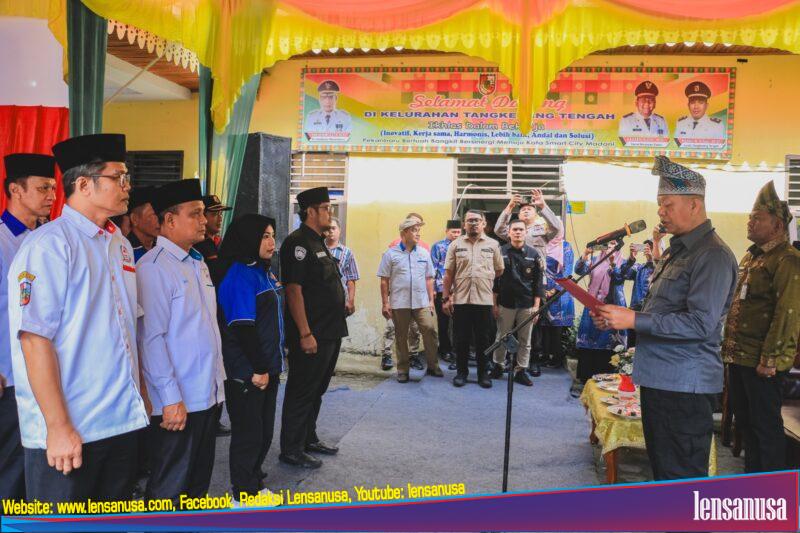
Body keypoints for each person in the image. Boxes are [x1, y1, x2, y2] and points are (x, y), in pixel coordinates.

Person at [9, 133, 148, 503]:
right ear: (84, 185)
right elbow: (34, 340)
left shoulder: (119, 243)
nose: (127, 186)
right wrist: (58, 427)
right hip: (73, 428)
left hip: (119, 421)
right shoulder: (50, 245)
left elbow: (126, 329)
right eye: (118, 177)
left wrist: (141, 397)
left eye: (127, 178)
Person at [593, 156, 738, 480]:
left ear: (694, 204)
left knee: (681, 477)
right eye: (660, 204)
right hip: (663, 380)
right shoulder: (678, 250)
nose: (660, 212)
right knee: (664, 472)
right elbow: (662, 311)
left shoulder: (711, 255)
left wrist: (634, 320)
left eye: (667, 204)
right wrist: (617, 317)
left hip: (684, 387)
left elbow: (700, 323)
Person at [137, 179, 226, 503]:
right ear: (170, 220)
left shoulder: (197, 262)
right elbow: (151, 339)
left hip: (207, 394)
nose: (204, 220)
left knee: (197, 485)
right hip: (179, 400)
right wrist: (170, 399)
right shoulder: (154, 267)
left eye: (203, 213)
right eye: (195, 213)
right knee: (169, 489)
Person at [722, 181, 800, 473]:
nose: (749, 222)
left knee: (765, 430)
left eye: (757, 218)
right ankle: (754, 484)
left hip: (763, 362)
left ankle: (773, 492)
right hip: (740, 356)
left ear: (777, 225)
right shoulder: (752, 256)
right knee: (747, 425)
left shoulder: (787, 260)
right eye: (749, 217)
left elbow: (788, 312)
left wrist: (770, 358)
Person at [212, 214, 284, 505]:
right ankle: (243, 494)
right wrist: (259, 368)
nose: (271, 242)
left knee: (263, 432)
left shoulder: (261, 270)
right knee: (248, 434)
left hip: (267, 367)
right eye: (264, 236)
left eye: (272, 235)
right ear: (248, 239)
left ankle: (254, 484)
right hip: (248, 371)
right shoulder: (239, 275)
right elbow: (243, 327)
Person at [0, 153, 56, 500]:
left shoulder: (49, 241)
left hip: (44, 372)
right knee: (10, 469)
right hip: (8, 375)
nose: (51, 195)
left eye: (53, 187)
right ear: (15, 190)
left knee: (39, 467)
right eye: (42, 188)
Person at [279, 186, 346, 469]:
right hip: (312, 333)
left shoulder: (318, 241)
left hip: (330, 331)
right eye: (326, 208)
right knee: (302, 390)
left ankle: (308, 438)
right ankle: (291, 449)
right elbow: (293, 291)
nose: (330, 213)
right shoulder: (298, 243)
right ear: (310, 212)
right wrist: (305, 333)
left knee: (317, 388)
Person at [442, 209, 504, 388]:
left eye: (477, 220)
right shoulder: (455, 245)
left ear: (484, 224)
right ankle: (461, 373)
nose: (474, 223)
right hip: (461, 300)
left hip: (484, 300)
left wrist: (484, 279)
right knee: (461, 339)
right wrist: (445, 298)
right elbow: (448, 274)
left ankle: (483, 374)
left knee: (484, 340)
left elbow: (499, 270)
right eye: (470, 220)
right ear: (464, 224)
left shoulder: (493, 245)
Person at [377, 218, 440, 382]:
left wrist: (431, 301)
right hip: (399, 302)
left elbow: (429, 278)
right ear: (404, 232)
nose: (418, 233)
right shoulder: (390, 254)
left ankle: (433, 366)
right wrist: (385, 303)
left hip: (421, 302)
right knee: (401, 336)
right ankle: (403, 370)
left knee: (430, 330)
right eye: (414, 230)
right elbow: (384, 280)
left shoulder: (424, 253)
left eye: (419, 230)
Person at [490, 219, 545, 387]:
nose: (518, 232)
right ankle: (498, 366)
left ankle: (520, 370)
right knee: (501, 336)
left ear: (526, 232)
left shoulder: (534, 254)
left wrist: (536, 307)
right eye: (514, 229)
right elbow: (494, 281)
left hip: (527, 303)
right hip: (505, 302)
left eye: (521, 229)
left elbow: (538, 283)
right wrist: (494, 304)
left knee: (525, 339)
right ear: (509, 232)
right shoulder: (500, 251)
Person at [573, 241, 627, 389]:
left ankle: (606, 379)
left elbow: (619, 278)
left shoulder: (624, 263)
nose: (610, 246)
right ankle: (585, 378)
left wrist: (612, 264)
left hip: (612, 307)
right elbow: (579, 270)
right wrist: (585, 254)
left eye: (614, 244)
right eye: (608, 244)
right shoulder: (595, 260)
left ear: (618, 247)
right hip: (592, 305)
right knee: (588, 340)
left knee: (608, 341)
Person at [382, 212, 428, 371]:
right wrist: (386, 299)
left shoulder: (424, 247)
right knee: (392, 326)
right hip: (398, 296)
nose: (417, 228)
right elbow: (387, 273)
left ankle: (413, 355)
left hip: (417, 298)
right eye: (414, 225)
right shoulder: (394, 245)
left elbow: (427, 275)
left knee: (415, 328)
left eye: (419, 225)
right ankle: (387, 355)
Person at [541, 228, 575, 369]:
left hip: (560, 292)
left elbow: (567, 271)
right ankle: (544, 356)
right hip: (543, 290)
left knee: (557, 327)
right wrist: (541, 290)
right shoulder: (542, 244)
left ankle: (557, 358)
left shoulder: (565, 247)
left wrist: (554, 290)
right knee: (544, 326)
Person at [431, 219, 462, 364]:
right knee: (443, 322)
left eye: (458, 232)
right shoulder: (438, 246)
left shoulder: (463, 246)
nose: (456, 234)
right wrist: (433, 290)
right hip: (441, 290)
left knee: (459, 322)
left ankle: (458, 350)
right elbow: (433, 270)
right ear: (447, 232)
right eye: (453, 232)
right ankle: (444, 349)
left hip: (460, 291)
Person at [618, 240, 656, 347]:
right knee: (632, 345)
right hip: (635, 313)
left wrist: (652, 260)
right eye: (646, 248)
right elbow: (623, 274)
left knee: (648, 345)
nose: (649, 250)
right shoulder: (639, 268)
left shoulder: (662, 268)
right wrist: (631, 258)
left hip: (652, 315)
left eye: (651, 248)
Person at [325, 217, 359, 317]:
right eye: (328, 228)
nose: (330, 231)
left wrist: (351, 301)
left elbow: (351, 279)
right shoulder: (318, 249)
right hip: (320, 298)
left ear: (339, 230)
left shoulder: (347, 252)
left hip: (339, 299)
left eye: (333, 228)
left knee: (337, 325)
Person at [194, 194, 232, 264]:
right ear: (203, 217)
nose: (220, 218)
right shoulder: (198, 244)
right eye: (214, 214)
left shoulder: (219, 241)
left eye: (221, 213)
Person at [127, 186, 159, 262]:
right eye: (153, 214)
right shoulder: (125, 250)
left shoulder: (162, 248)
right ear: (134, 219)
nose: (160, 219)